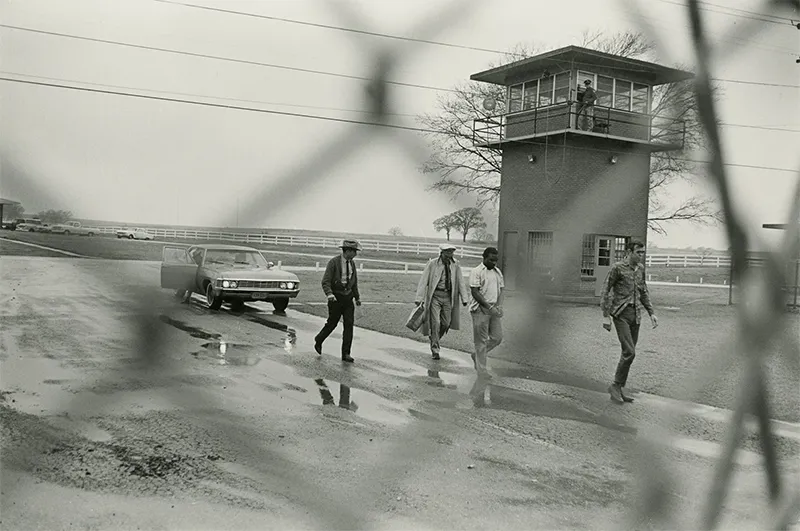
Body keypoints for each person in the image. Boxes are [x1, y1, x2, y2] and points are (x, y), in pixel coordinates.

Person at [600, 239, 659, 404]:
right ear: (629, 252)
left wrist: (651, 313)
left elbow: (644, 292)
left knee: (627, 353)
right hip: (621, 314)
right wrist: (605, 315)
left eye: (643, 252)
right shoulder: (617, 268)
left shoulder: (640, 269)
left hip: (636, 315)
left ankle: (618, 387)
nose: (641, 255)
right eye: (638, 252)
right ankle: (615, 385)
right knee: (630, 352)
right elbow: (605, 290)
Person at [414, 243, 470, 360]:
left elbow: (460, 281)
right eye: (447, 252)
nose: (449, 255)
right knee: (436, 323)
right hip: (435, 296)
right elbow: (423, 280)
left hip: (448, 297)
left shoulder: (455, 264)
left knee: (446, 323)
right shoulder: (432, 264)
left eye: (451, 252)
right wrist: (419, 298)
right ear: (442, 252)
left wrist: (464, 298)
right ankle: (435, 350)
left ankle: (434, 339)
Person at [314, 239, 362, 363]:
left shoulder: (352, 264)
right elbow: (326, 281)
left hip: (348, 298)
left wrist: (357, 297)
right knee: (332, 323)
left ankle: (346, 353)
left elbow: (354, 282)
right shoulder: (333, 262)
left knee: (349, 325)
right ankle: (319, 339)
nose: (356, 254)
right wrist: (329, 294)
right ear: (348, 251)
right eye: (354, 251)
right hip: (335, 298)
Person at [468, 247, 504, 405]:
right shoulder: (477, 271)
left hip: (493, 309)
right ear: (484, 258)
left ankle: (476, 355)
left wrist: (499, 306)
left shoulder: (497, 272)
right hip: (480, 310)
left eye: (495, 260)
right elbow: (475, 292)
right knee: (481, 342)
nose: (493, 262)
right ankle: (482, 372)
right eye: (491, 260)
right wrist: (488, 307)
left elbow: (501, 290)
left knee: (497, 338)